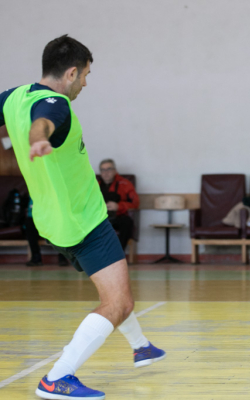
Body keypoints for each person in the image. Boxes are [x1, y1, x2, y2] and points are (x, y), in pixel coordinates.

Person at [0, 35, 165, 399]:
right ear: (71, 72)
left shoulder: (12, 97)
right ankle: (57, 378)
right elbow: (43, 122)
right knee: (119, 302)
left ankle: (142, 347)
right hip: (84, 222)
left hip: (51, 222)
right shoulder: (57, 104)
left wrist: (18, 145)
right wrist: (37, 138)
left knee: (113, 290)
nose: (86, 84)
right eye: (86, 75)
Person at [97, 159, 139, 250]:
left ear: (115, 170)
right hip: (99, 218)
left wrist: (118, 206)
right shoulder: (95, 185)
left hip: (117, 217)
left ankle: (118, 252)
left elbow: (135, 203)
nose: (106, 172)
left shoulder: (125, 184)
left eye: (109, 169)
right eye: (103, 170)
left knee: (127, 222)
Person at [24, 199, 69, 267]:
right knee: (29, 224)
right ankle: (36, 258)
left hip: (52, 216)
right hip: (35, 218)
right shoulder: (32, 194)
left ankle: (62, 257)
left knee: (61, 224)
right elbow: (30, 212)